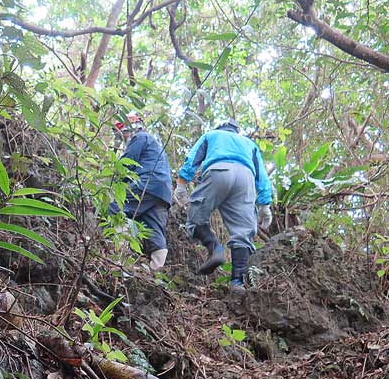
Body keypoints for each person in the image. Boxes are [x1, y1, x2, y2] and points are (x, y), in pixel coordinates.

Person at [173, 118, 273, 289]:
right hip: (245, 178)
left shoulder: (212, 135)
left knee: (196, 216)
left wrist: (182, 183)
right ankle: (237, 282)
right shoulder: (249, 144)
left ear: (220, 127)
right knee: (242, 232)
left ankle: (215, 249)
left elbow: (193, 158)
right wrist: (265, 205)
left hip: (219, 170)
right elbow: (262, 175)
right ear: (236, 131)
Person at [109, 111, 173, 270]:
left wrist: (114, 185)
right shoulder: (156, 145)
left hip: (147, 182)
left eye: (122, 132)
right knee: (153, 228)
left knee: (117, 208)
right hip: (163, 192)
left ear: (127, 129)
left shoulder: (140, 137)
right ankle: (156, 270)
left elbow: (127, 164)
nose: (122, 137)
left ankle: (120, 257)